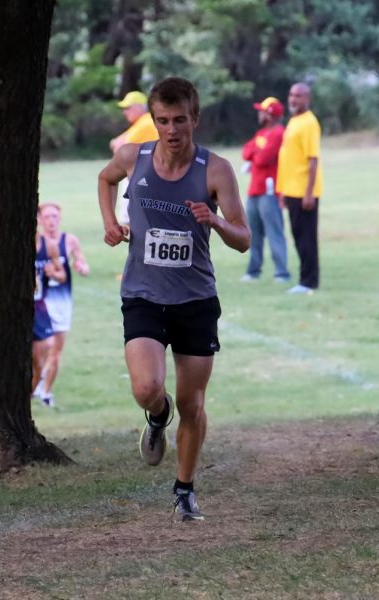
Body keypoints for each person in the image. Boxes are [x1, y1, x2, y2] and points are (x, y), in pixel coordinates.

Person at [97, 77, 249, 521]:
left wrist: (216, 223)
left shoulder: (215, 170)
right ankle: (156, 416)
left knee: (194, 404)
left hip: (195, 300)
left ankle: (184, 490)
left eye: (179, 120)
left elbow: (243, 239)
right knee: (146, 388)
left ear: (194, 119)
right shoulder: (133, 157)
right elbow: (104, 179)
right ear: (153, 121)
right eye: (162, 120)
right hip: (143, 294)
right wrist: (110, 223)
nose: (171, 129)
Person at [34, 202, 90, 407]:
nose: (51, 221)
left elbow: (82, 263)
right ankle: (36, 381)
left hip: (62, 302)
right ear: (39, 220)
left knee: (56, 350)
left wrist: (81, 267)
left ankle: (45, 391)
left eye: (55, 216)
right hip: (40, 304)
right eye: (47, 217)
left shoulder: (69, 241)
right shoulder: (36, 242)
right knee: (40, 349)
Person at [277, 82, 323, 294]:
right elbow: (288, 158)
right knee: (298, 236)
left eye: (299, 96)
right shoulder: (294, 121)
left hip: (304, 192)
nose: (293, 99)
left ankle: (308, 282)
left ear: (307, 99)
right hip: (292, 190)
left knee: (306, 238)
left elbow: (312, 161)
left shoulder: (309, 122)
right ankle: (304, 279)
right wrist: (283, 190)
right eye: (291, 94)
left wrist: (308, 193)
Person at [240, 97, 289, 283]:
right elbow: (246, 152)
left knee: (274, 231)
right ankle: (253, 271)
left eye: (262, 111)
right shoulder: (261, 133)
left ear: (269, 114)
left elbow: (262, 159)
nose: (259, 114)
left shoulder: (278, 133)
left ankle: (281, 272)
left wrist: (255, 152)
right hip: (254, 189)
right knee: (254, 234)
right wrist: (256, 151)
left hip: (269, 190)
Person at [109, 91, 160, 226]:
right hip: (141, 172)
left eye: (128, 108)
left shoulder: (146, 123)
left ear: (138, 107)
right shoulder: (141, 123)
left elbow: (120, 149)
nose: (125, 112)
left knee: (130, 220)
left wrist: (119, 147)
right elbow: (115, 143)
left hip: (142, 174)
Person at [31, 223, 66, 407]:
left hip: (39, 305)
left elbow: (62, 275)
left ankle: (29, 394)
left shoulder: (49, 245)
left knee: (42, 351)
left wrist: (54, 273)